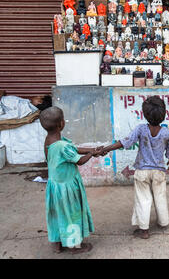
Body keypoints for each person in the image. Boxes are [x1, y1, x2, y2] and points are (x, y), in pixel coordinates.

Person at [100, 96, 169, 239]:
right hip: (159, 171)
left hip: (142, 171)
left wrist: (107, 148)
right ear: (164, 114)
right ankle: (163, 222)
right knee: (160, 196)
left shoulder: (141, 129)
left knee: (143, 199)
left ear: (145, 115)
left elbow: (125, 142)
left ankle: (144, 230)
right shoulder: (166, 132)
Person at [40, 106, 101, 254]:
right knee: (72, 214)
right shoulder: (62, 145)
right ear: (61, 124)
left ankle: (57, 244)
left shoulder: (49, 141)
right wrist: (92, 154)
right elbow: (79, 161)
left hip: (55, 187)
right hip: (67, 188)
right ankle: (74, 246)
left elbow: (72, 148)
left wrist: (90, 150)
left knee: (57, 214)